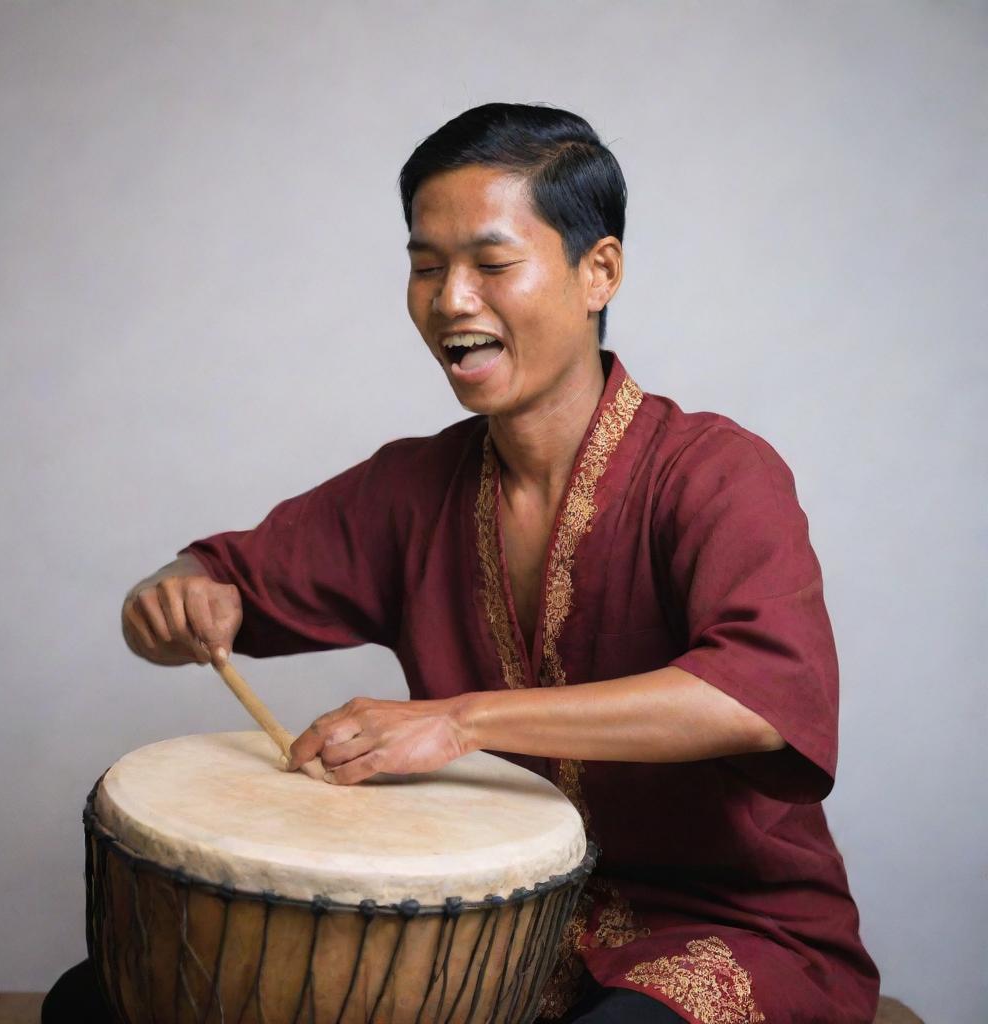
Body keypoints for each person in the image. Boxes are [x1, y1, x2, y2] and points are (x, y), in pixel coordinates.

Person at [45, 103, 880, 1023]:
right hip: (492, 922)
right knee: (95, 1005)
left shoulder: (716, 472)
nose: (451, 300)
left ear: (597, 271)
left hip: (725, 927)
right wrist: (165, 602)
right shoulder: (411, 486)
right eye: (426, 266)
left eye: (491, 264)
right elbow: (206, 582)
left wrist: (459, 721)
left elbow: (759, 697)